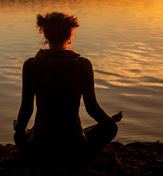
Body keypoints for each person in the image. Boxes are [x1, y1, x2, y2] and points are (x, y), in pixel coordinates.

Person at [13, 12, 122, 160]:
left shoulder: (30, 65)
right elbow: (92, 108)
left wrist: (20, 130)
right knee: (110, 128)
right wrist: (108, 121)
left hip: (40, 145)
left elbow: (26, 109)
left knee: (20, 135)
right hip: (74, 145)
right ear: (69, 35)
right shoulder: (83, 65)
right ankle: (81, 154)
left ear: (45, 34)